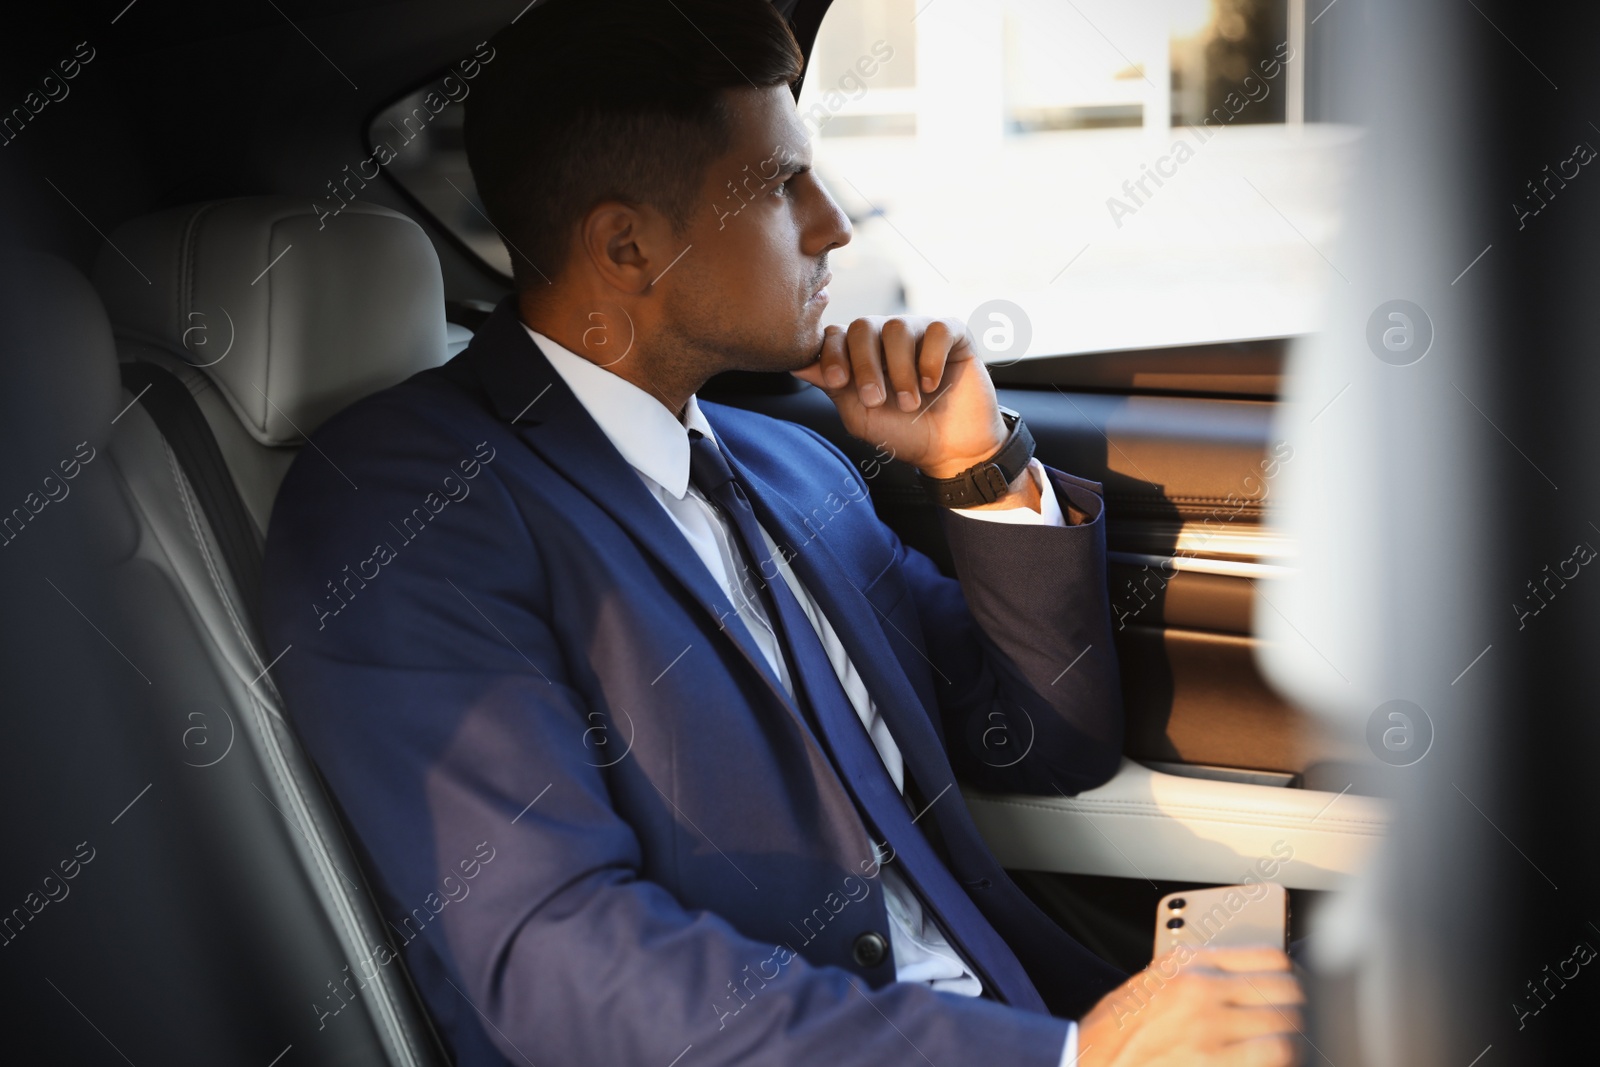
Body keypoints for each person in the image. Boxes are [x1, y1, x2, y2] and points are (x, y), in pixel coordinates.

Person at [261, 0, 1303, 1063]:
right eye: (780, 186)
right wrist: (1074, 1058)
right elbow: (555, 961)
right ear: (626, 245)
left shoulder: (785, 461)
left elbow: (1043, 742)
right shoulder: (411, 506)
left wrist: (975, 466)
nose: (834, 223)